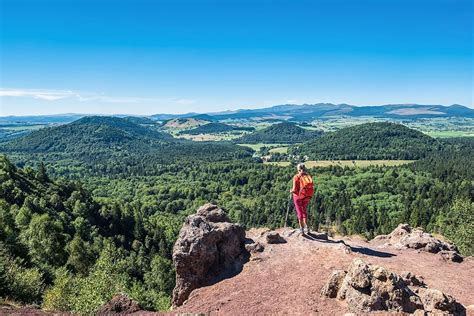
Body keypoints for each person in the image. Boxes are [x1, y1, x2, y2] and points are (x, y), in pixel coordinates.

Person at [290, 163, 314, 234]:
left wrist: (291, 191)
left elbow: (294, 189)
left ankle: (302, 229)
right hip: (306, 196)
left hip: (298, 197)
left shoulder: (296, 177)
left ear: (298, 169)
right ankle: (307, 228)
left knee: (299, 212)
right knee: (304, 211)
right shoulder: (307, 176)